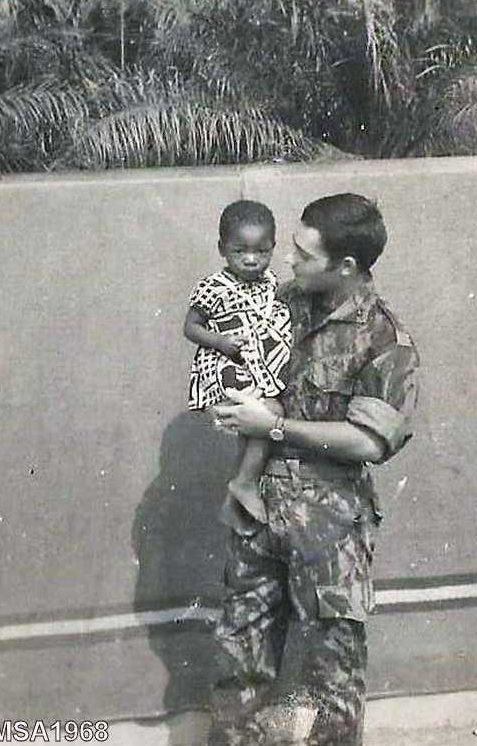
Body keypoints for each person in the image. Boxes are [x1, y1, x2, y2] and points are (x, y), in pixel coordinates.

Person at [208, 193, 419, 746]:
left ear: (345, 265)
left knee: (332, 680)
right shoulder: (281, 304)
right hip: (259, 511)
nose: (288, 260)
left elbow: (369, 441)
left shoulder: (384, 339)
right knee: (238, 663)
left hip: (330, 527)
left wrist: (274, 426)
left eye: (304, 254)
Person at [184, 199, 291, 531]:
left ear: (273, 248)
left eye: (261, 251)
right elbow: (191, 327)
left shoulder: (272, 283)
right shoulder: (213, 287)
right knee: (270, 414)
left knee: (255, 430)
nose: (251, 259)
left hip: (260, 369)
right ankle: (243, 485)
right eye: (240, 251)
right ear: (222, 249)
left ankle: (237, 498)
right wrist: (220, 341)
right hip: (229, 369)